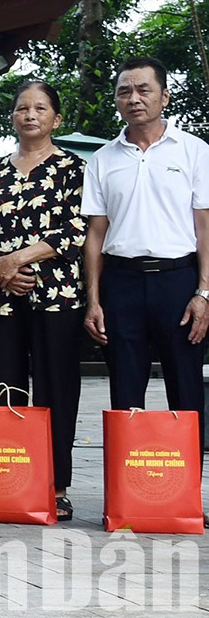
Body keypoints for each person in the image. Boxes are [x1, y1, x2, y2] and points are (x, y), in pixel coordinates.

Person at [0, 79, 86, 524]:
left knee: (57, 389)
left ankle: (57, 486)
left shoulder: (73, 169)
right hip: (0, 300)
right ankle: (7, 481)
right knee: (4, 388)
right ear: (12, 117)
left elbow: (75, 230)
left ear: (56, 118)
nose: (29, 115)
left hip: (56, 297)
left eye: (39, 108)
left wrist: (15, 260)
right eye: (21, 108)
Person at [82, 57, 209, 435]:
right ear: (117, 100)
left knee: (186, 391)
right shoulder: (103, 160)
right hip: (122, 283)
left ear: (164, 96)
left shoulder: (194, 151)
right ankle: (129, 492)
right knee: (124, 392)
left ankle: (185, 491)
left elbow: (205, 227)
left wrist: (204, 292)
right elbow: (95, 235)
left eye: (143, 90)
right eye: (125, 91)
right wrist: (94, 299)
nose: (134, 98)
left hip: (178, 281)